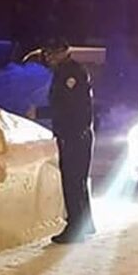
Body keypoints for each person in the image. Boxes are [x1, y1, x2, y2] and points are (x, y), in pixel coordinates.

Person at [41, 38, 96, 244]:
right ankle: (84, 223)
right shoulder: (67, 71)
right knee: (78, 180)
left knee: (72, 181)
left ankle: (75, 228)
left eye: (52, 53)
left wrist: (40, 112)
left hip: (75, 134)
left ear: (63, 51)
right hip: (76, 133)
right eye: (47, 54)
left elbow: (71, 106)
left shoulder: (70, 73)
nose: (49, 57)